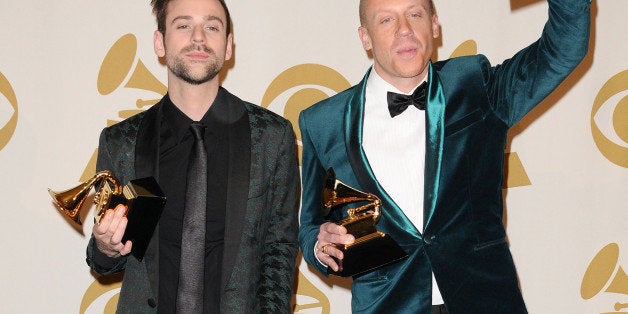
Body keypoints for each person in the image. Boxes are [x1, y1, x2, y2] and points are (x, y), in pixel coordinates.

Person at [298, 0, 591, 313]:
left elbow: (562, 50)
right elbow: (312, 224)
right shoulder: (322, 123)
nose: (404, 31)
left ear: (435, 24)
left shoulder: (474, 84)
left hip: (484, 300)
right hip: (387, 305)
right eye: (386, 20)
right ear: (365, 36)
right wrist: (319, 244)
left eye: (414, 14)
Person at [85, 0, 300, 312]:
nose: (198, 37)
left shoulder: (272, 135)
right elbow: (106, 262)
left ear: (228, 46)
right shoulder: (121, 141)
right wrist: (105, 246)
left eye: (211, 27)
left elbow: (279, 251)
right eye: (183, 25)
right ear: (160, 42)